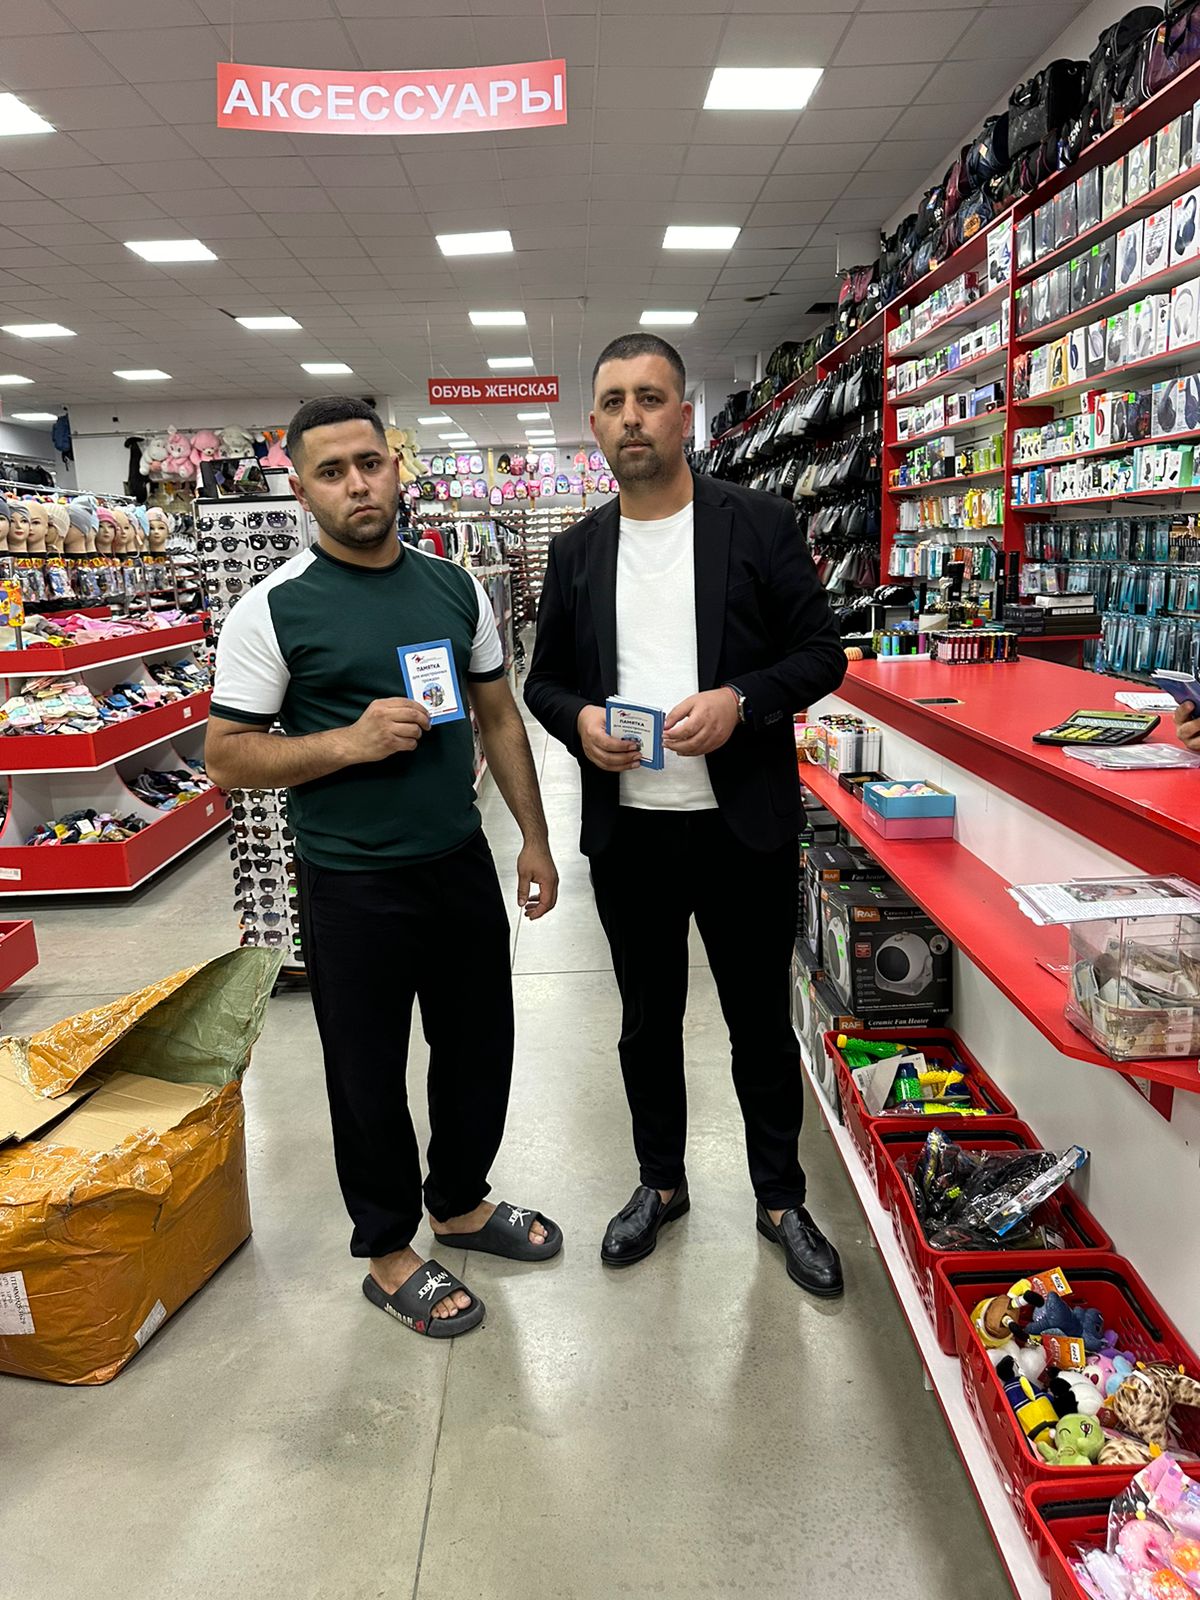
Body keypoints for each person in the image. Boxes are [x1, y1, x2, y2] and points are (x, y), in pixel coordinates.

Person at [206, 396, 562, 1340]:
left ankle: (461, 1203)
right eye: (332, 472)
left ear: (395, 467)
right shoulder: (272, 608)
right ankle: (389, 1248)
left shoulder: (455, 586)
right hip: (351, 881)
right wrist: (346, 743)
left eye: (369, 463)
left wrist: (532, 837)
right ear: (302, 489)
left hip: (457, 861)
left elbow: (498, 717)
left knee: (480, 1047)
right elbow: (228, 757)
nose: (357, 485)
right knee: (365, 1074)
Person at [524, 334, 848, 1297]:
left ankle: (781, 1198)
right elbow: (545, 682)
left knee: (758, 1022)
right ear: (593, 424)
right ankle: (660, 1182)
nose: (632, 417)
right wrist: (580, 721)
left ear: (683, 416)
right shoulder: (577, 551)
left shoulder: (760, 523)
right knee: (646, 1022)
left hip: (741, 827)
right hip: (632, 833)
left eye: (650, 397)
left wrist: (741, 700)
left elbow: (822, 654)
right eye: (613, 401)